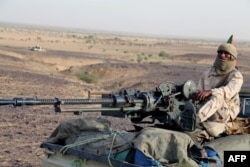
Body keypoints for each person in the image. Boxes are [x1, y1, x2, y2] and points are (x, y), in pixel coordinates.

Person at [195, 35, 244, 137]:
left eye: (226, 53)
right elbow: (199, 91)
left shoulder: (236, 76)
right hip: (208, 108)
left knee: (217, 96)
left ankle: (195, 119)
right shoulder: (208, 72)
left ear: (232, 57)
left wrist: (211, 92)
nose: (222, 55)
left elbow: (229, 91)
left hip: (226, 112)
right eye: (220, 53)